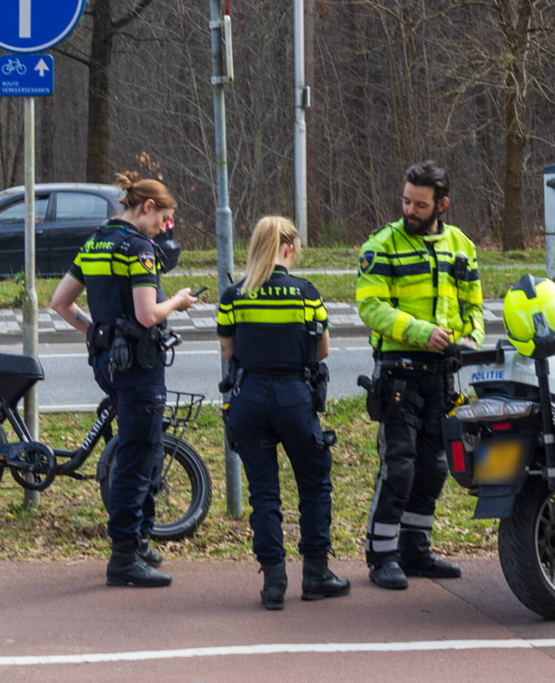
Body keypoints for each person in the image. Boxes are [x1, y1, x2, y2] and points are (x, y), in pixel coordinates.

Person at [51, 171, 197, 588]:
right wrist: (179, 301)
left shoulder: (96, 241)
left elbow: (61, 302)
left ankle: (141, 542)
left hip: (107, 364)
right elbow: (148, 314)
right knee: (136, 459)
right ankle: (124, 557)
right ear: (148, 208)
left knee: (146, 450)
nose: (164, 229)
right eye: (164, 219)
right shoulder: (139, 249)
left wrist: (98, 333)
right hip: (139, 368)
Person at [356, 161, 485, 589]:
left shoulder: (461, 246)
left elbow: (474, 307)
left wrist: (470, 338)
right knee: (400, 467)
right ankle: (381, 553)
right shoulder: (382, 244)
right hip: (399, 372)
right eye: (406, 201)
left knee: (434, 467)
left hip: (443, 373)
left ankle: (416, 549)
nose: (410, 209)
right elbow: (370, 307)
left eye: (420, 204)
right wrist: (421, 331)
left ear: (441, 205)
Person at [217, 216, 350, 610]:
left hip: (249, 397)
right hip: (294, 397)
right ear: (288, 248)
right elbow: (321, 350)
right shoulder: (306, 293)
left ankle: (273, 584)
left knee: (264, 495)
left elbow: (228, 352)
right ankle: (315, 575)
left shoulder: (233, 295)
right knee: (313, 486)